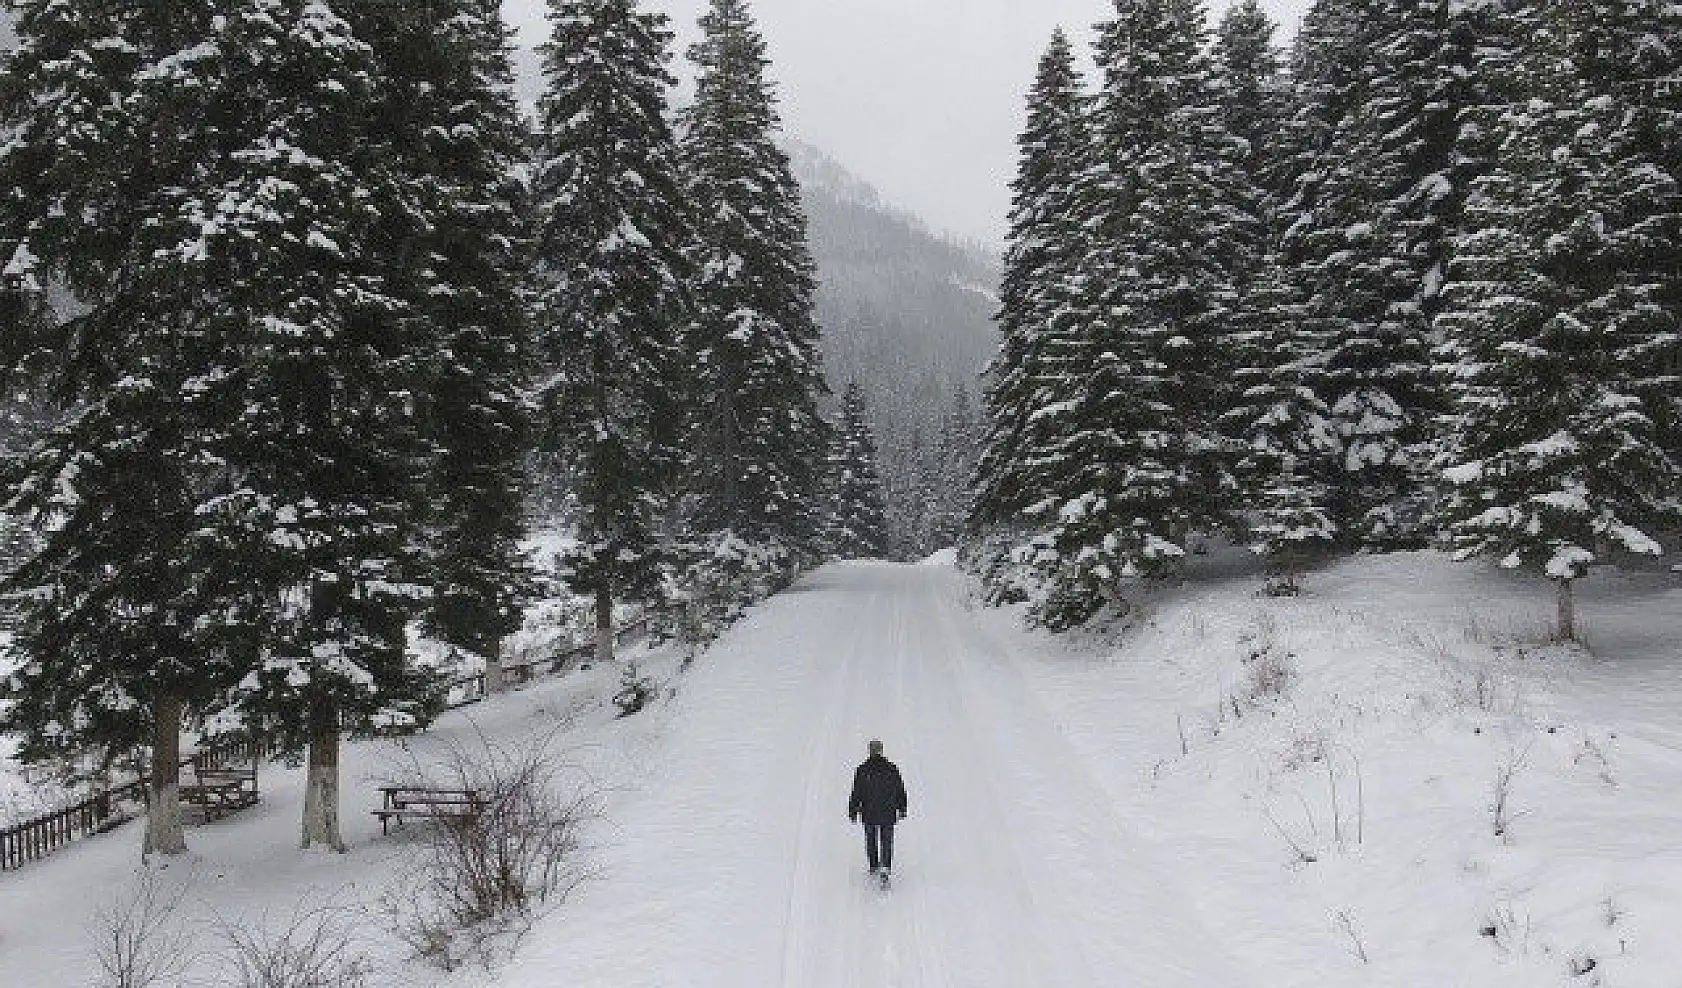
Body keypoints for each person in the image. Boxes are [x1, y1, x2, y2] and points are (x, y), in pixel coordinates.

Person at [848, 739, 908, 879]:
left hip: (869, 811)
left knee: (871, 839)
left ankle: (874, 865)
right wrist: (902, 807)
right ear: (881, 751)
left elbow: (857, 792)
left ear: (869, 752)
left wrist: (853, 810)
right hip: (888, 810)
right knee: (887, 840)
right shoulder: (892, 769)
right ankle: (885, 867)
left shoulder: (862, 770)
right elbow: (899, 789)